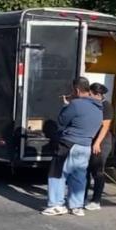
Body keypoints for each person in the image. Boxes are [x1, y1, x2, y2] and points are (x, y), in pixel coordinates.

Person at [42, 77, 103, 217]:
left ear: (76, 90)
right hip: (86, 145)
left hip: (69, 144)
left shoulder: (75, 104)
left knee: (57, 173)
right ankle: (77, 206)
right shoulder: (99, 108)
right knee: (79, 175)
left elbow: (62, 121)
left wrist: (66, 105)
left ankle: (56, 205)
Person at [85, 83, 113, 211]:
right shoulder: (91, 104)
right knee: (85, 170)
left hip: (102, 141)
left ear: (97, 94)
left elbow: (105, 126)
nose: (88, 96)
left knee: (97, 171)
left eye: (90, 94)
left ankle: (96, 200)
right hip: (91, 139)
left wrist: (97, 143)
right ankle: (81, 196)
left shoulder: (106, 106)